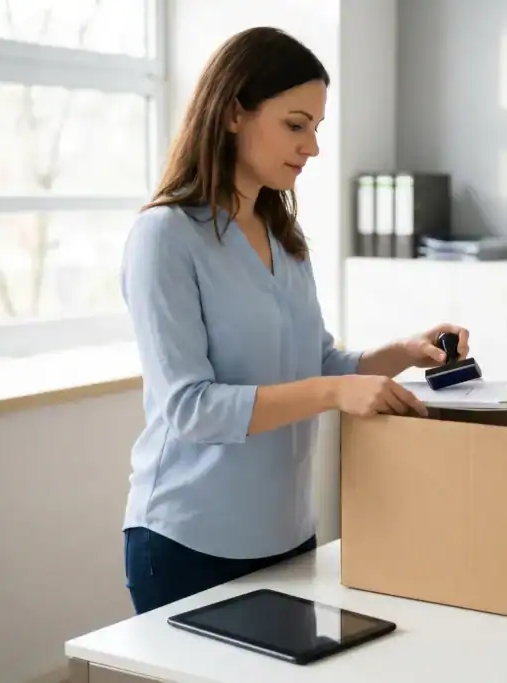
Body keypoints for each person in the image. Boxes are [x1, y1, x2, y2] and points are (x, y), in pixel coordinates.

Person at [119, 26, 470, 615]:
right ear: (233, 113)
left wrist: (406, 352)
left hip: (287, 538)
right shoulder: (165, 237)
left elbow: (319, 362)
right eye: (295, 123)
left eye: (315, 128)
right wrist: (335, 390)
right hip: (188, 541)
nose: (312, 147)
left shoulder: (284, 237)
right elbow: (190, 408)